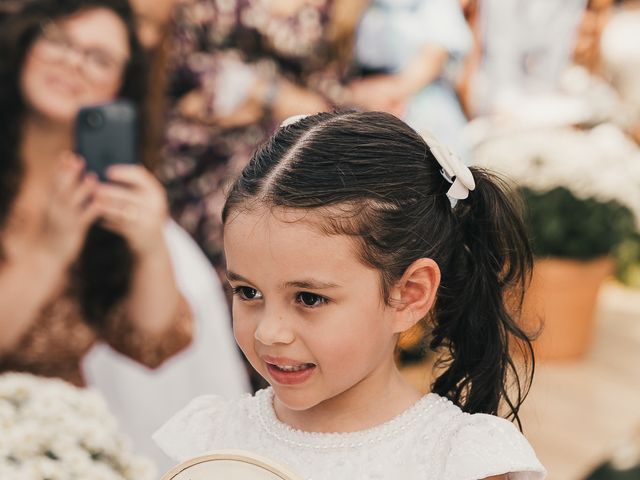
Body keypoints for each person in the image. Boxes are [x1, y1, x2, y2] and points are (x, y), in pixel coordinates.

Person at [154, 111, 547, 479]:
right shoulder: (211, 440)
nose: (269, 333)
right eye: (248, 291)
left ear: (408, 295)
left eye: (308, 298)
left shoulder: (459, 461)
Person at [0, 0, 192, 386]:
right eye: (58, 41)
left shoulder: (105, 188)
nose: (73, 63)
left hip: (55, 431)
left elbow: (153, 347)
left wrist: (150, 246)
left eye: (99, 59)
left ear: (121, 85)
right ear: (26, 41)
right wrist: (50, 252)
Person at [128, 0, 368, 280]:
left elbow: (329, 102)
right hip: (201, 154)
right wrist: (267, 95)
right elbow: (180, 72)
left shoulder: (340, 11)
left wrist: (264, 96)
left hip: (292, 152)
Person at [348, 0, 474, 163]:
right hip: (367, 105)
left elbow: (435, 55)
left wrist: (392, 92)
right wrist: (360, 95)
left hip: (421, 105)